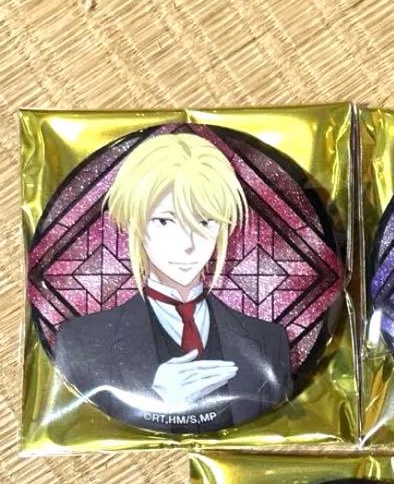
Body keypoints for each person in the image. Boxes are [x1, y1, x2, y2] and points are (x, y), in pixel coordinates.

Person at [54, 132, 291, 432]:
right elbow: (75, 435)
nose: (188, 244)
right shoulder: (82, 343)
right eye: (165, 221)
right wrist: (154, 399)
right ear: (134, 222)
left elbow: (282, 430)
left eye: (205, 221)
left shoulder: (268, 341)